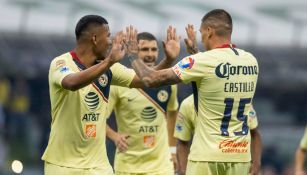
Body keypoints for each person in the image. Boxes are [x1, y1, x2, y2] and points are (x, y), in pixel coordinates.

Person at [42, 15, 180, 175]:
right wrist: (109, 62)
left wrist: (169, 60)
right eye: (108, 36)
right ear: (94, 38)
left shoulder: (109, 69)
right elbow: (71, 83)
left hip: (99, 166)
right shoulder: (61, 63)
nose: (110, 42)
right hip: (62, 164)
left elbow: (147, 79)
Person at [127, 9, 259, 175]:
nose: (202, 38)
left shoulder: (201, 61)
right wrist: (196, 53)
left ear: (209, 31)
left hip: (207, 157)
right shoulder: (250, 61)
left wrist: (132, 55)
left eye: (202, 32)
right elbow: (215, 76)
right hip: (240, 157)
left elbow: (150, 79)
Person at [106, 32, 179, 175]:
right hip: (128, 166)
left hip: (161, 166)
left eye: (154, 49)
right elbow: (98, 117)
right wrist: (114, 136)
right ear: (134, 51)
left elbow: (172, 114)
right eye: (145, 50)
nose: (150, 54)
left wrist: (172, 150)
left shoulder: (168, 83)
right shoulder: (120, 83)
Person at [174, 94, 262, 175]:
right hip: (206, 161)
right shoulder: (188, 104)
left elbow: (254, 133)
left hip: (236, 158)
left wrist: (256, 164)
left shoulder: (239, 99)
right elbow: (182, 141)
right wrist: (184, 171)